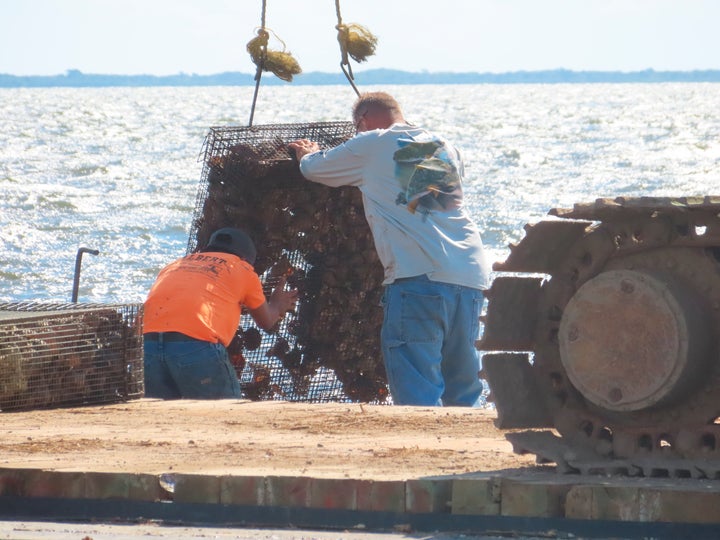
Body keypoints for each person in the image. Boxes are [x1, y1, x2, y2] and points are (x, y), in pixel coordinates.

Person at [289, 92, 491, 407]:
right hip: (469, 274)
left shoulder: (371, 143)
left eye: (357, 129)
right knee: (462, 387)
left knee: (417, 389)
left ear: (363, 121)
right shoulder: (444, 147)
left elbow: (316, 170)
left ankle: (422, 451)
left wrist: (307, 153)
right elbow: (424, 196)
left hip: (419, 277)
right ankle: (464, 451)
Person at [142, 227, 298, 399]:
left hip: (148, 346)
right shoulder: (242, 268)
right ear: (245, 258)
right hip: (195, 347)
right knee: (226, 413)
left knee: (167, 417)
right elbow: (267, 321)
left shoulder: (175, 265)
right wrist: (277, 303)